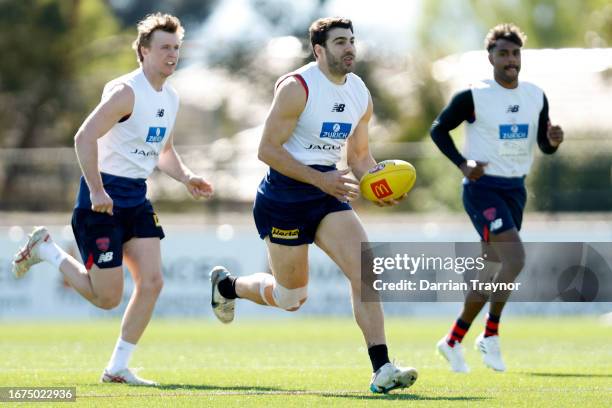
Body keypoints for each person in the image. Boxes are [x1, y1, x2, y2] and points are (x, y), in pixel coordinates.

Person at [208, 17, 417, 394]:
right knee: (291, 298)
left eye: (352, 41)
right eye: (339, 42)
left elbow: (359, 157)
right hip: (285, 198)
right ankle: (229, 286)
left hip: (327, 193)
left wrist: (380, 185)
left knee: (366, 272)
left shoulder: (359, 93)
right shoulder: (297, 87)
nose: (349, 48)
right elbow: (266, 150)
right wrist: (321, 178)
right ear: (319, 50)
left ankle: (382, 368)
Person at [11, 13, 213, 385]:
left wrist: (186, 177)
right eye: (165, 48)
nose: (173, 55)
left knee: (152, 283)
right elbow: (83, 137)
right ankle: (47, 250)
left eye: (177, 48)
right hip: (101, 199)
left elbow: (164, 150)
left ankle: (117, 367)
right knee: (106, 298)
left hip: (136, 198)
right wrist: (98, 190)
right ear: (143, 51)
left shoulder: (170, 97)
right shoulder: (125, 92)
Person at [430, 23, 564, 373]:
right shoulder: (474, 95)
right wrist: (462, 163)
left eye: (515, 53)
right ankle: (490, 335)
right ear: (490, 57)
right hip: (483, 189)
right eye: (503, 53)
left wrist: (553, 139)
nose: (510, 59)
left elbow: (544, 147)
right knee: (515, 259)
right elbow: (438, 129)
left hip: (515, 189)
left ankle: (453, 339)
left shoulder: (535, 95)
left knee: (491, 272)